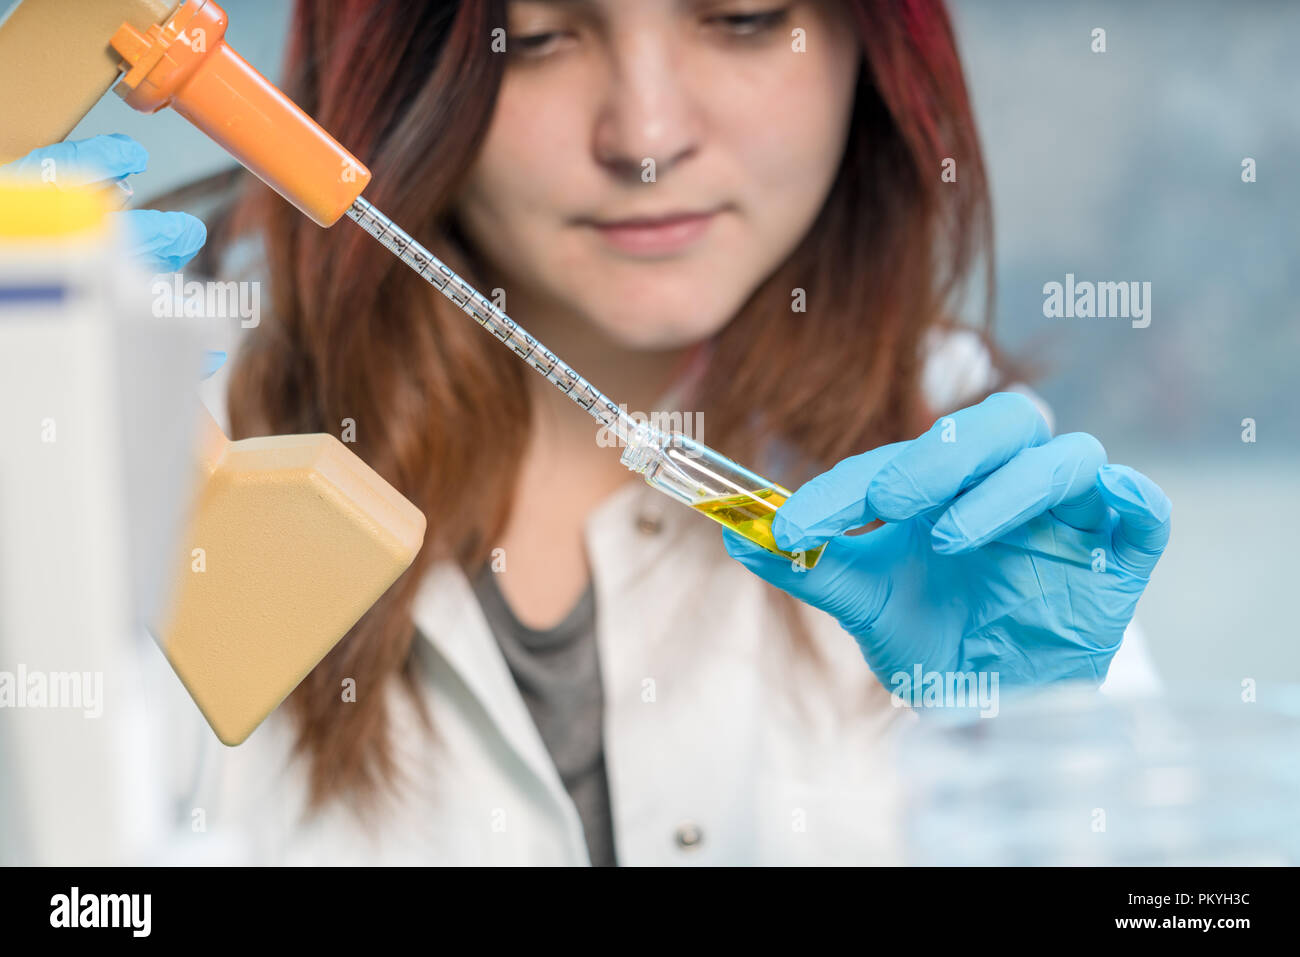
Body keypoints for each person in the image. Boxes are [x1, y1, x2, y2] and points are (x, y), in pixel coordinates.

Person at [7, 0, 1169, 865]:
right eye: (542, 34)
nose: (647, 135)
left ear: (877, 47)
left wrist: (1054, 766)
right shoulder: (124, 408)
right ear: (402, 72)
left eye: (745, 18)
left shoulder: (951, 465)